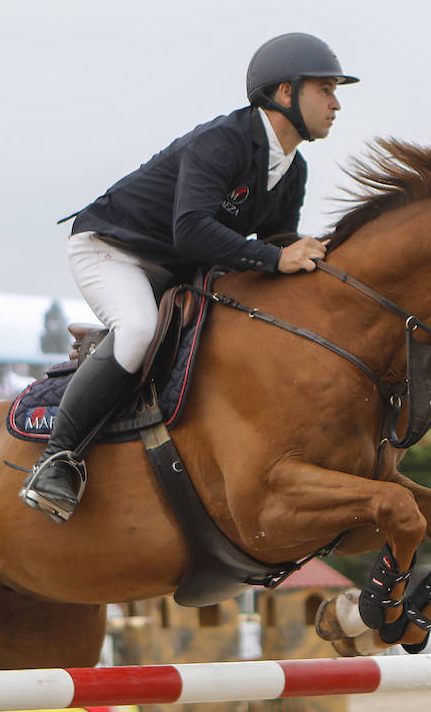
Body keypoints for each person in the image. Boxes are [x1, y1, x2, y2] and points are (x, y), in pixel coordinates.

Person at [19, 32, 358, 523]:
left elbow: (275, 241)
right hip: (113, 250)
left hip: (177, 265)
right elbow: (193, 229)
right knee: (137, 329)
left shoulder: (292, 168)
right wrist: (275, 257)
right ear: (285, 92)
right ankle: (57, 459)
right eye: (325, 89)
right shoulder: (222, 141)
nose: (335, 104)